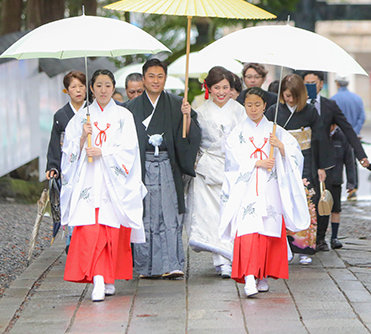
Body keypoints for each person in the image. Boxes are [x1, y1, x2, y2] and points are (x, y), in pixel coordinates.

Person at [59, 69, 146, 302]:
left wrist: (103, 152)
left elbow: (130, 151)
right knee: (90, 229)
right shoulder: (81, 117)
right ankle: (98, 277)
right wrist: (81, 138)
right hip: (87, 180)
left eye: (108, 85)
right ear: (92, 88)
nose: (103, 90)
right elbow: (67, 152)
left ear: (113, 87)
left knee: (110, 229)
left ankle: (107, 277)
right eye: (98, 85)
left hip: (112, 181)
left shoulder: (124, 116)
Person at [220, 87, 310, 297]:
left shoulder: (276, 130)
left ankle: (263, 275)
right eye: (249, 105)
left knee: (267, 232)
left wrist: (281, 148)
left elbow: (296, 154)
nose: (253, 109)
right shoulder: (238, 132)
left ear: (265, 106)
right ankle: (249, 277)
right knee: (248, 232)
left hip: (270, 189)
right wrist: (257, 161)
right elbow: (232, 160)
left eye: (257, 105)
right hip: (247, 189)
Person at [125, 58, 201, 279]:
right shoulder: (130, 108)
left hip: (168, 165)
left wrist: (187, 116)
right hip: (142, 166)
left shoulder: (177, 104)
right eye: (151, 76)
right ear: (144, 78)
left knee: (170, 213)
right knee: (145, 214)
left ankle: (172, 263)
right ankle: (147, 267)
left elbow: (189, 136)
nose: (156, 80)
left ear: (165, 78)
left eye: (160, 76)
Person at [265, 74, 333, 265]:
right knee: (280, 201)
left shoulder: (310, 111)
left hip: (306, 159)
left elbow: (319, 138)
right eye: (287, 95)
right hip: (280, 160)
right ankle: (283, 247)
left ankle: (304, 247)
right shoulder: (274, 111)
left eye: (294, 96)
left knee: (306, 201)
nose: (290, 100)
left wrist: (321, 166)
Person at [188, 66, 246, 278]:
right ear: (209, 89)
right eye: (217, 88)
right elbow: (193, 140)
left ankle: (234, 255)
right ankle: (221, 260)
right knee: (212, 215)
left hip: (234, 167)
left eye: (225, 87)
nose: (221, 92)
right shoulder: (200, 112)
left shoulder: (239, 110)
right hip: (208, 168)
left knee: (232, 215)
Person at [301, 70, 369, 251]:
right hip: (304, 158)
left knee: (325, 199)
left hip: (326, 159)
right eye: (306, 82)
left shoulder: (330, 105)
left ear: (320, 84)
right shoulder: (298, 105)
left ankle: (320, 238)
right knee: (308, 199)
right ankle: (305, 238)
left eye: (313, 82)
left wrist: (361, 154)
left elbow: (347, 128)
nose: (309, 86)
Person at [45, 71, 88, 243]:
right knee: (70, 205)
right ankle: (72, 242)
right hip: (69, 167)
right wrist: (53, 166)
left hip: (90, 165)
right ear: (67, 91)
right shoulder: (60, 116)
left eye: (81, 86)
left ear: (87, 89)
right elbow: (55, 143)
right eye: (73, 87)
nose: (78, 90)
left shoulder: (93, 111)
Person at [331, 76, 366, 201]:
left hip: (337, 136)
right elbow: (362, 117)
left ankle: (336, 189)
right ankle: (353, 189)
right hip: (353, 136)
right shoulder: (357, 98)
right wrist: (353, 132)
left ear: (337, 84)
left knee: (338, 162)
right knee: (352, 163)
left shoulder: (333, 99)